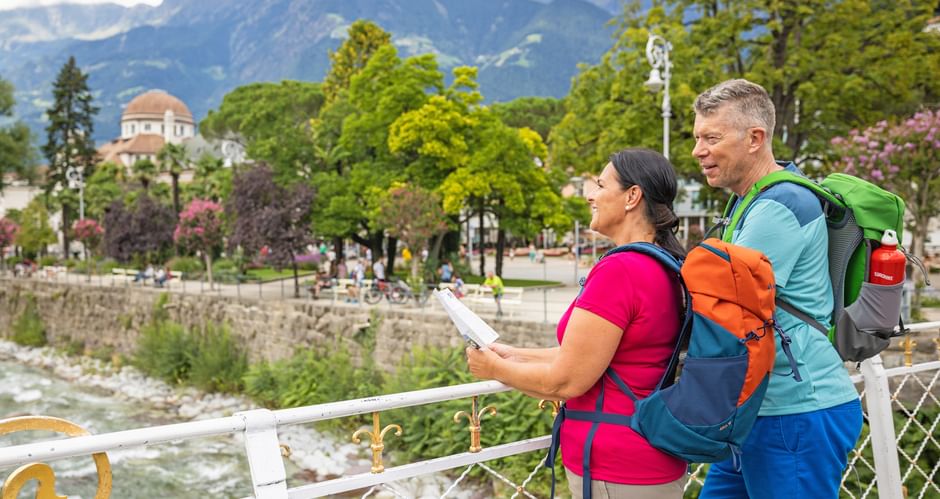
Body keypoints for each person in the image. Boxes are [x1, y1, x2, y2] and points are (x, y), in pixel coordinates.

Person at [467, 148, 688, 498]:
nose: (590, 194)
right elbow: (594, 355)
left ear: (632, 196)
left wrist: (494, 367)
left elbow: (565, 381)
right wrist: (512, 354)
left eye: (600, 185)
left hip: (615, 470)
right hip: (652, 460)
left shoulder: (621, 270)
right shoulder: (664, 265)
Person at [691, 79, 862, 498]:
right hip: (761, 408)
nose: (698, 151)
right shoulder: (756, 198)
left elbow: (724, 304)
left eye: (711, 138)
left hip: (795, 411)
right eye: (697, 138)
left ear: (755, 138)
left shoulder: (777, 206)